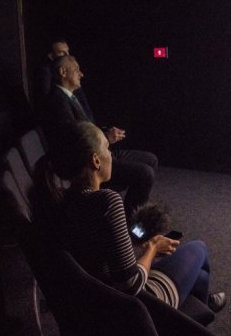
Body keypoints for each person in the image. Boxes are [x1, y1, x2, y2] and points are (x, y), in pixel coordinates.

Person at [31, 120, 231, 336]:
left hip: (96, 300)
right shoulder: (106, 201)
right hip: (130, 309)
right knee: (199, 250)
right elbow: (130, 285)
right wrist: (152, 247)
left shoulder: (58, 201)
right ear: (96, 161)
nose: (112, 155)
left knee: (197, 279)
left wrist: (135, 244)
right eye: (108, 150)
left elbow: (97, 247)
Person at [38, 54, 158, 216]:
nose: (81, 74)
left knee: (151, 159)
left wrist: (106, 133)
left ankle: (131, 212)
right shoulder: (57, 102)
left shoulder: (70, 97)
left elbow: (86, 127)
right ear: (63, 72)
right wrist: (106, 138)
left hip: (99, 152)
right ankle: (131, 222)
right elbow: (75, 141)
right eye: (76, 70)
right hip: (87, 164)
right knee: (145, 174)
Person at [32, 37, 93, 118]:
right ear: (51, 56)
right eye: (62, 53)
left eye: (68, 51)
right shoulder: (46, 72)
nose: (67, 55)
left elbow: (84, 104)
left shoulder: (73, 79)